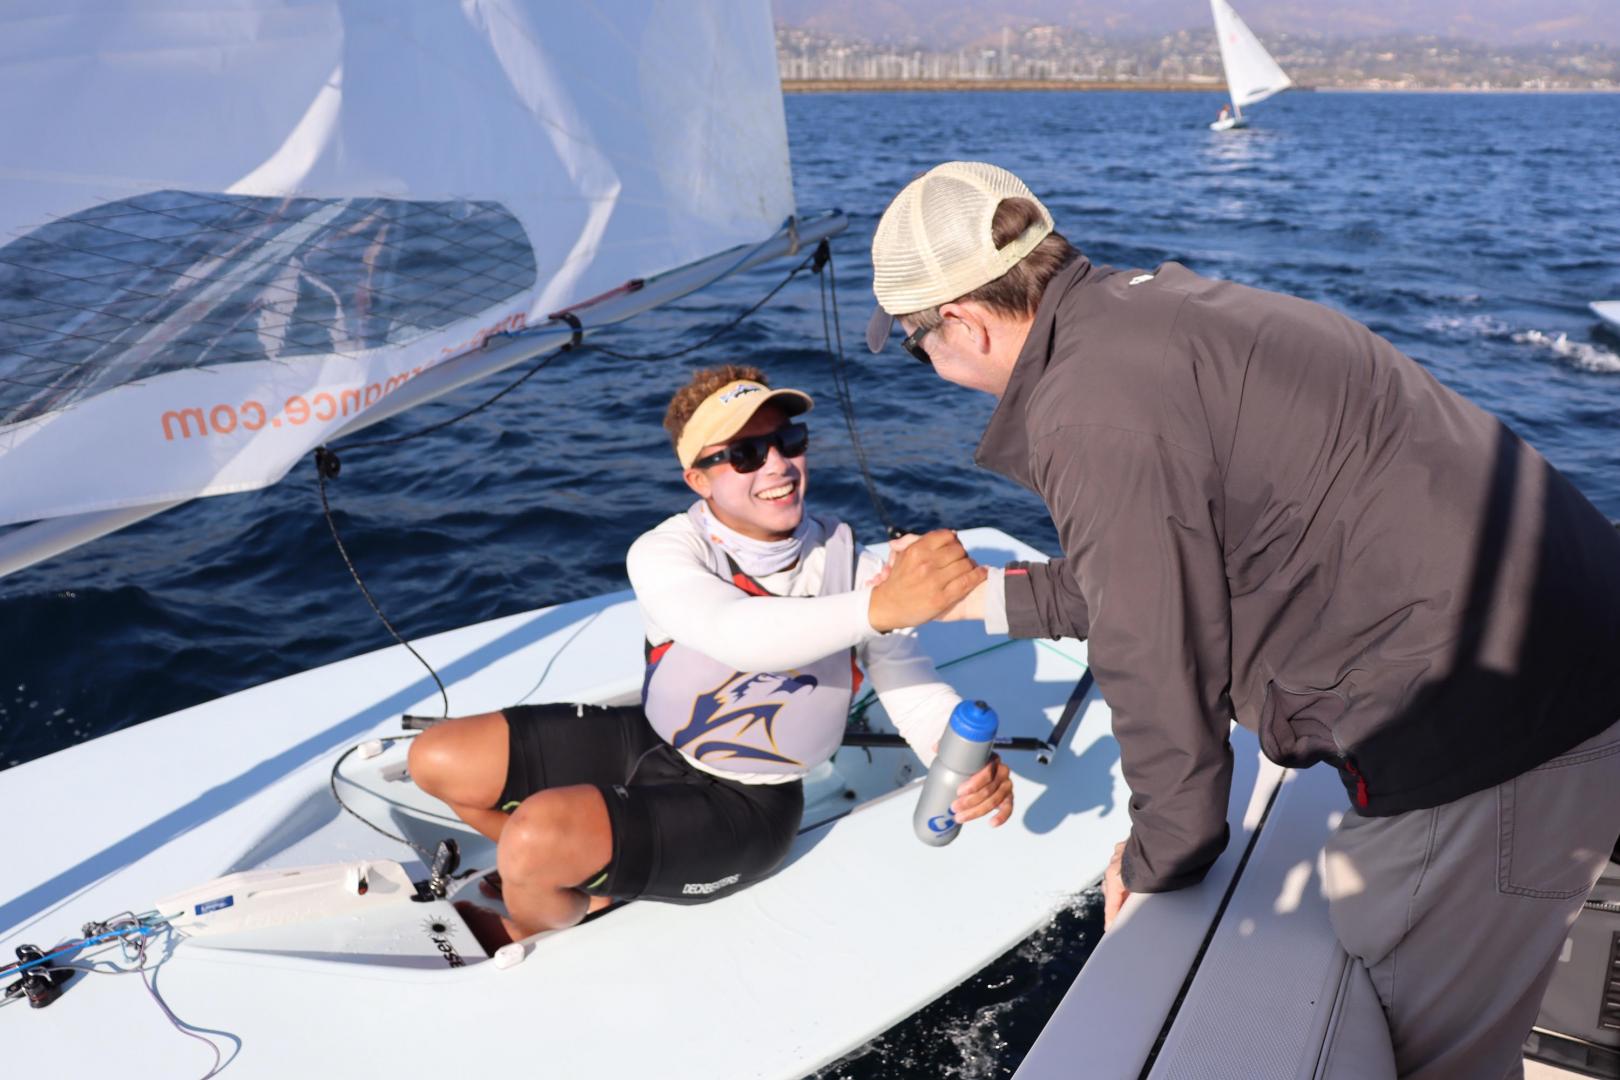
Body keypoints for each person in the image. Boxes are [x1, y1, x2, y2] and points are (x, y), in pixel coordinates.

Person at [863, 160, 1620, 1079]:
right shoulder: (1157, 314)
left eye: (917, 345)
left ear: (964, 323)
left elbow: (1152, 651)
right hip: (1563, 640)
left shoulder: (1088, 414)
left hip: (1498, 727)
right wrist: (981, 595)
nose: (931, 366)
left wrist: (1159, 859)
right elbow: (1172, 567)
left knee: (1426, 1049)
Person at [408, 364, 1005, 948]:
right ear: (698, 479)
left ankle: (538, 920)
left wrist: (958, 759)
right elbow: (735, 632)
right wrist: (882, 606)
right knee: (435, 758)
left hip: (747, 807)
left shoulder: (859, 569)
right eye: (744, 454)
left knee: (532, 841)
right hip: (652, 740)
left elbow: (911, 689)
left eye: (788, 440)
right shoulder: (666, 552)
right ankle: (581, 879)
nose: (777, 464)